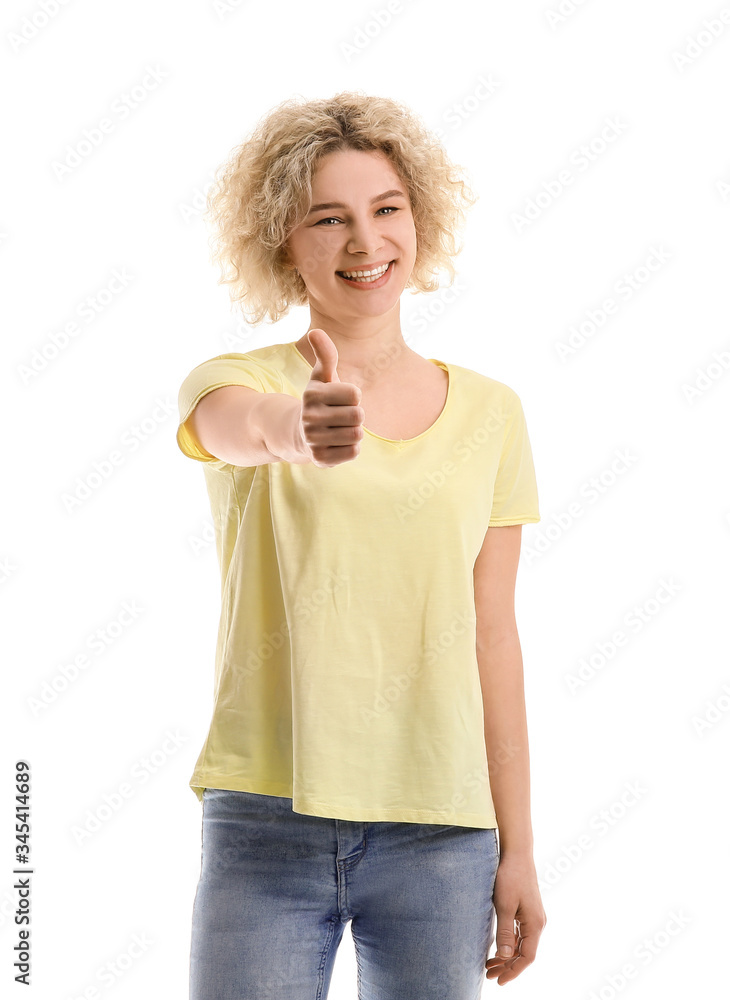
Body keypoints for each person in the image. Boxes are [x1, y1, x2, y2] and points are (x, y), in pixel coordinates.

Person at [176, 90, 547, 999]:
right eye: (327, 219)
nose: (364, 242)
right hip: (268, 817)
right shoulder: (237, 383)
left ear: (420, 218)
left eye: (387, 210)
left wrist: (521, 848)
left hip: (442, 831)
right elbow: (240, 430)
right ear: (281, 241)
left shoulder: (493, 414)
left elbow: (492, 636)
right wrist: (297, 427)